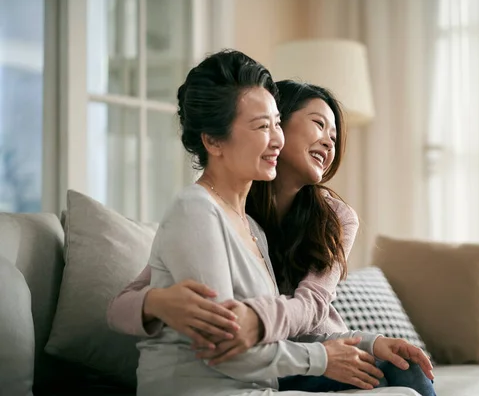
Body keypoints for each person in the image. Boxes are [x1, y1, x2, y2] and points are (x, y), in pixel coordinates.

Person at [110, 51, 435, 395]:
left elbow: (310, 308)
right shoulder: (201, 209)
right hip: (249, 374)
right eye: (265, 125)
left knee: (404, 378)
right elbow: (219, 345)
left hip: (279, 360)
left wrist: (368, 342)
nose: (328, 141)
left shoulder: (265, 226)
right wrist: (156, 302)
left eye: (275, 124)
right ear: (213, 140)